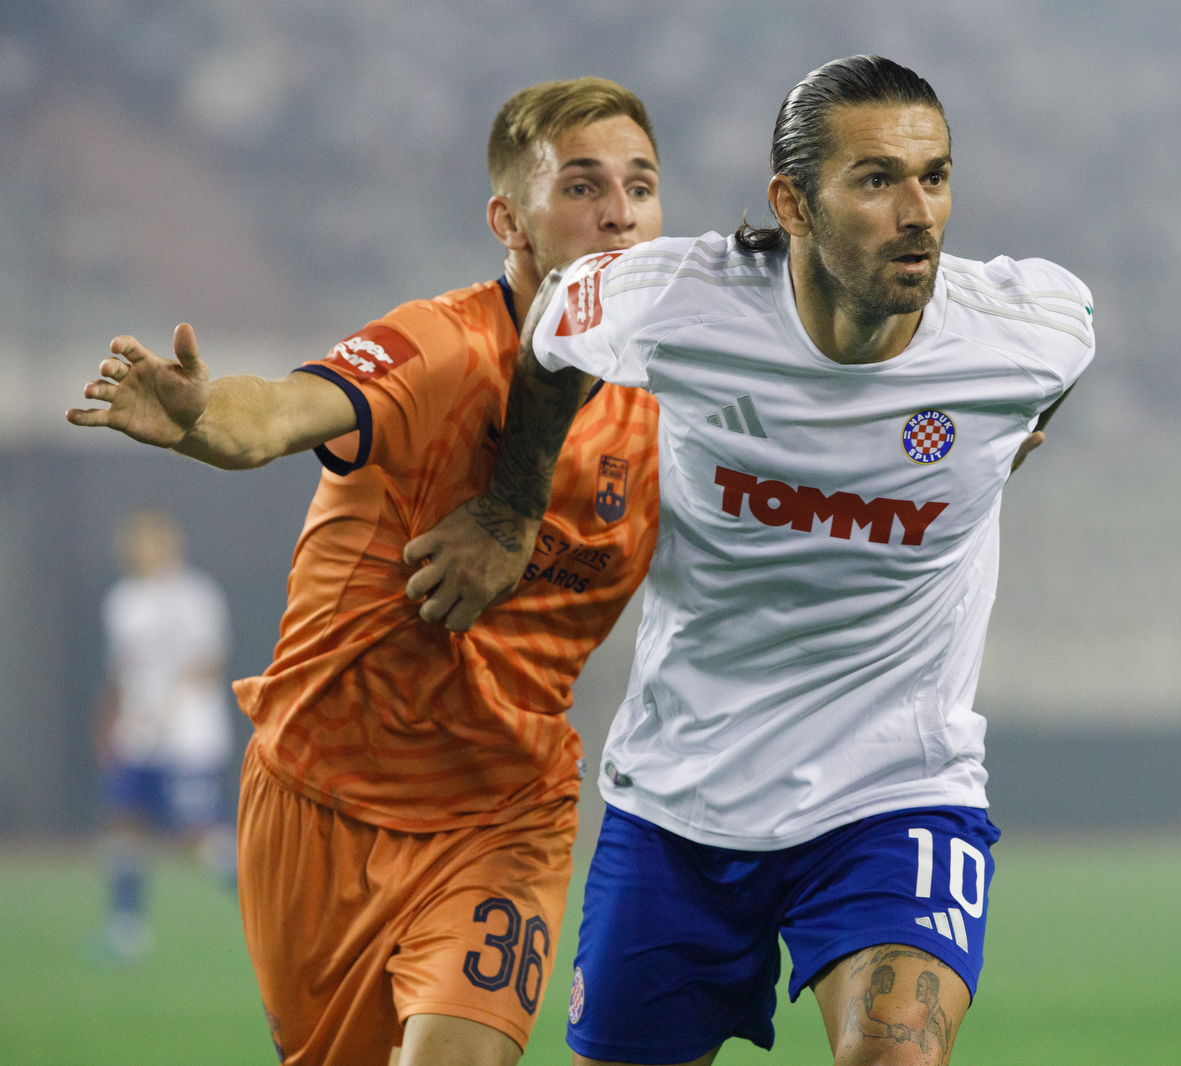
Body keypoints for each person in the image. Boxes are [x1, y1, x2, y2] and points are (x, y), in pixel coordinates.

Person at [414, 54, 1095, 1066]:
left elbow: (1041, 387)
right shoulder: (675, 300)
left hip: (895, 789)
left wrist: (995, 455)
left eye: (935, 176)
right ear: (793, 204)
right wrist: (513, 507)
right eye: (875, 181)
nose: (919, 212)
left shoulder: (1028, 331)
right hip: (681, 800)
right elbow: (551, 335)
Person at [67, 78, 664, 1066]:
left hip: (502, 810)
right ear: (506, 221)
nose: (618, 212)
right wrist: (202, 419)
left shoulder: (678, 396)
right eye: (584, 186)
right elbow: (279, 412)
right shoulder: (442, 346)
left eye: (641, 187)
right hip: (318, 797)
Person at [97, 508, 235, 960]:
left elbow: (210, 660)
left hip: (187, 736)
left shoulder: (195, 595)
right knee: (124, 822)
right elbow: (120, 672)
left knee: (196, 836)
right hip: (139, 735)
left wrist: (170, 704)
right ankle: (126, 930)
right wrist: (113, 723)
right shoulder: (121, 601)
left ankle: (265, 903)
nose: (145, 549)